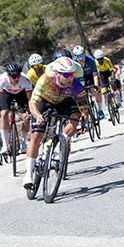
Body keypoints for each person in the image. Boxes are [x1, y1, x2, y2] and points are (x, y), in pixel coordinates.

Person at [22, 57, 86, 189]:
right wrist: (38, 116)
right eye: (66, 75)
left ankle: (60, 143)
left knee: (76, 116)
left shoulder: (76, 85)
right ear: (57, 73)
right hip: (44, 102)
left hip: (64, 102)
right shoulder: (45, 79)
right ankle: (28, 174)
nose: (70, 78)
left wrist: (84, 119)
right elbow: (33, 102)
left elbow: (83, 106)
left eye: (73, 74)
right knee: (36, 136)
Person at [0, 63, 33, 154]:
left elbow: (30, 98)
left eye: (18, 75)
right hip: (6, 93)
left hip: (21, 93)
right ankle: (5, 145)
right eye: (14, 76)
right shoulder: (2, 79)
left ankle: (23, 144)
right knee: (4, 114)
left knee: (26, 117)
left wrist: (30, 110)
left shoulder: (25, 80)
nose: (17, 78)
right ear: (8, 75)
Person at [72, 45, 104, 120]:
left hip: (90, 76)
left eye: (82, 56)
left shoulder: (91, 60)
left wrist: (96, 86)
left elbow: (95, 75)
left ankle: (100, 110)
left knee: (96, 91)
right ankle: (85, 115)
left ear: (84, 54)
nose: (81, 58)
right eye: (78, 57)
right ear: (75, 57)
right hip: (80, 78)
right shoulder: (73, 63)